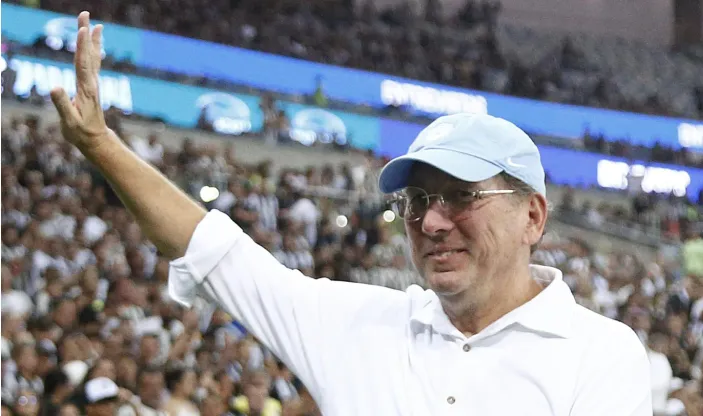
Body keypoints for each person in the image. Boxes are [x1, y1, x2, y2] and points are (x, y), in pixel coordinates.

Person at [51, 12, 652, 415]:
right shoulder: (359, 323)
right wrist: (101, 144)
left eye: (461, 196)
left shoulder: (600, 353)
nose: (433, 222)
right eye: (417, 202)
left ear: (532, 217)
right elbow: (213, 251)